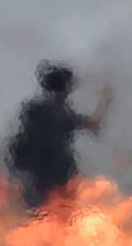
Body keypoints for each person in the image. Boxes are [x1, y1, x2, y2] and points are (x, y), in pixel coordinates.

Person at [8, 61, 112, 209]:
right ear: (65, 87)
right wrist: (105, 102)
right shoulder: (59, 112)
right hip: (56, 171)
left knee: (38, 214)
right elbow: (94, 126)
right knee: (59, 212)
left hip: (35, 173)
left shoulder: (34, 109)